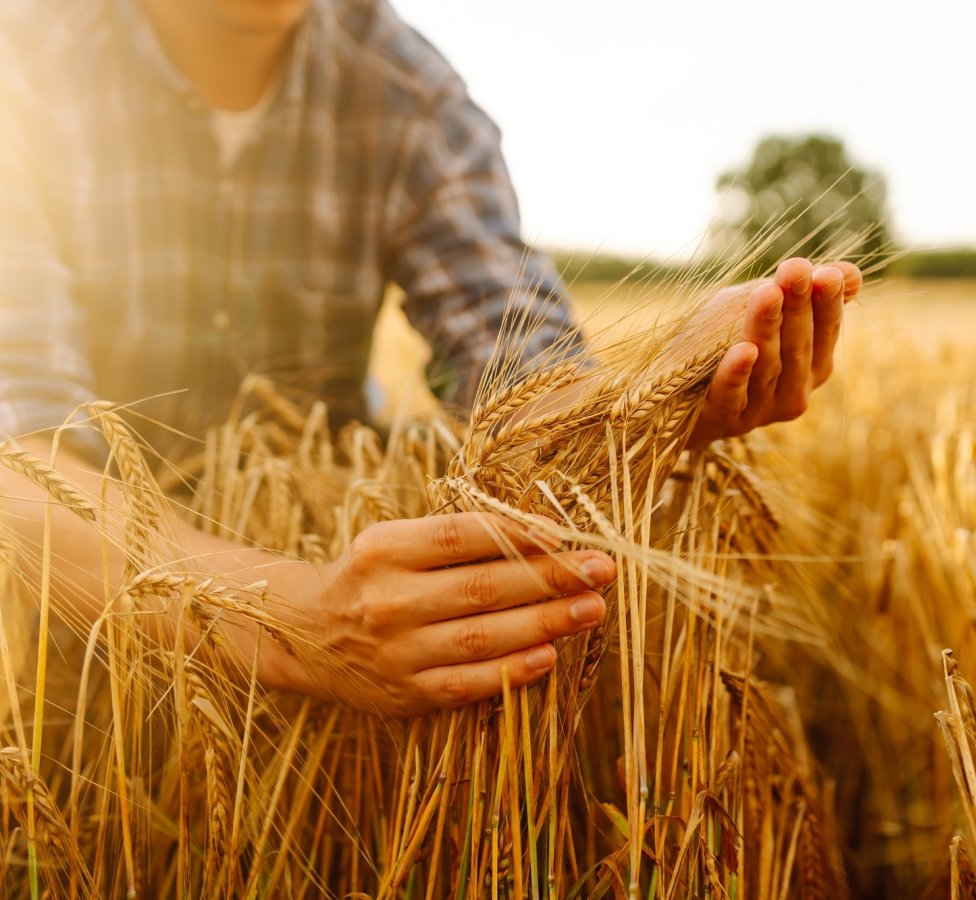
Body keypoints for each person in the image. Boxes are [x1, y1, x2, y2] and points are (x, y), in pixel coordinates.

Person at [0, 0, 862, 717]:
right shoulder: (24, 62)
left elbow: (515, 375)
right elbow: (14, 458)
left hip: (324, 692)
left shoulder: (409, 93)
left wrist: (654, 400)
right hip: (43, 655)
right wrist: (290, 618)